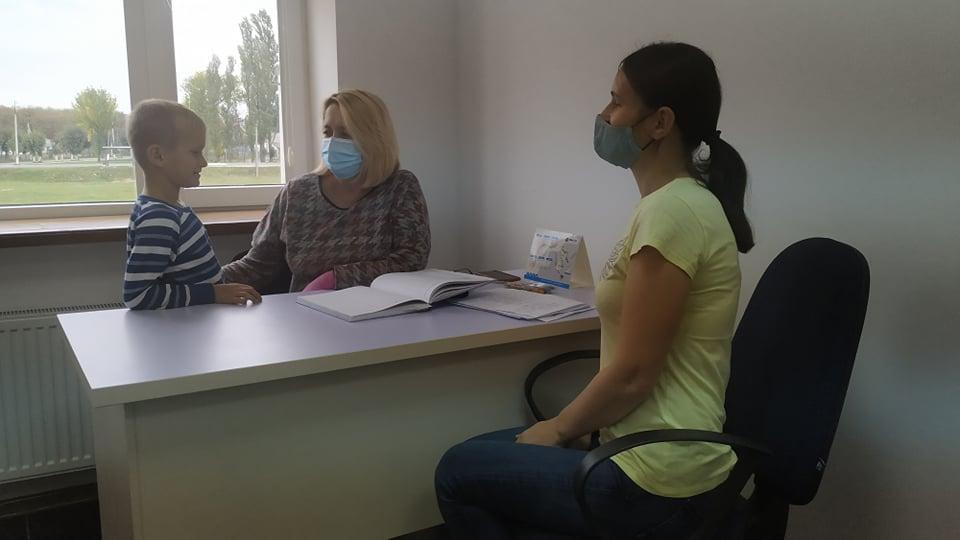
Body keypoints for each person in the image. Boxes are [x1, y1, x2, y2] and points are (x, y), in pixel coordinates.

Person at [434, 42, 755, 538]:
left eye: (616, 102)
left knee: (457, 473)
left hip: (655, 474)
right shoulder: (672, 205)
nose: (604, 115)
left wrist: (560, 427)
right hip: (644, 448)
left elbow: (633, 375)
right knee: (483, 457)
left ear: (660, 122)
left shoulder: (673, 212)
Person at [222, 89, 431, 293]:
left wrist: (334, 278)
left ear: (374, 138)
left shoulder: (400, 188)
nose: (333, 142)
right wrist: (209, 282)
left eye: (346, 134)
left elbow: (411, 260)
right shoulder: (297, 192)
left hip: (380, 309)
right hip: (306, 309)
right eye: (327, 132)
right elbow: (258, 264)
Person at [123, 99, 262, 310]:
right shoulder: (159, 218)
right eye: (195, 152)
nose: (204, 162)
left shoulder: (171, 209)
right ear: (158, 155)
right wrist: (213, 293)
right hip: (184, 328)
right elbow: (138, 295)